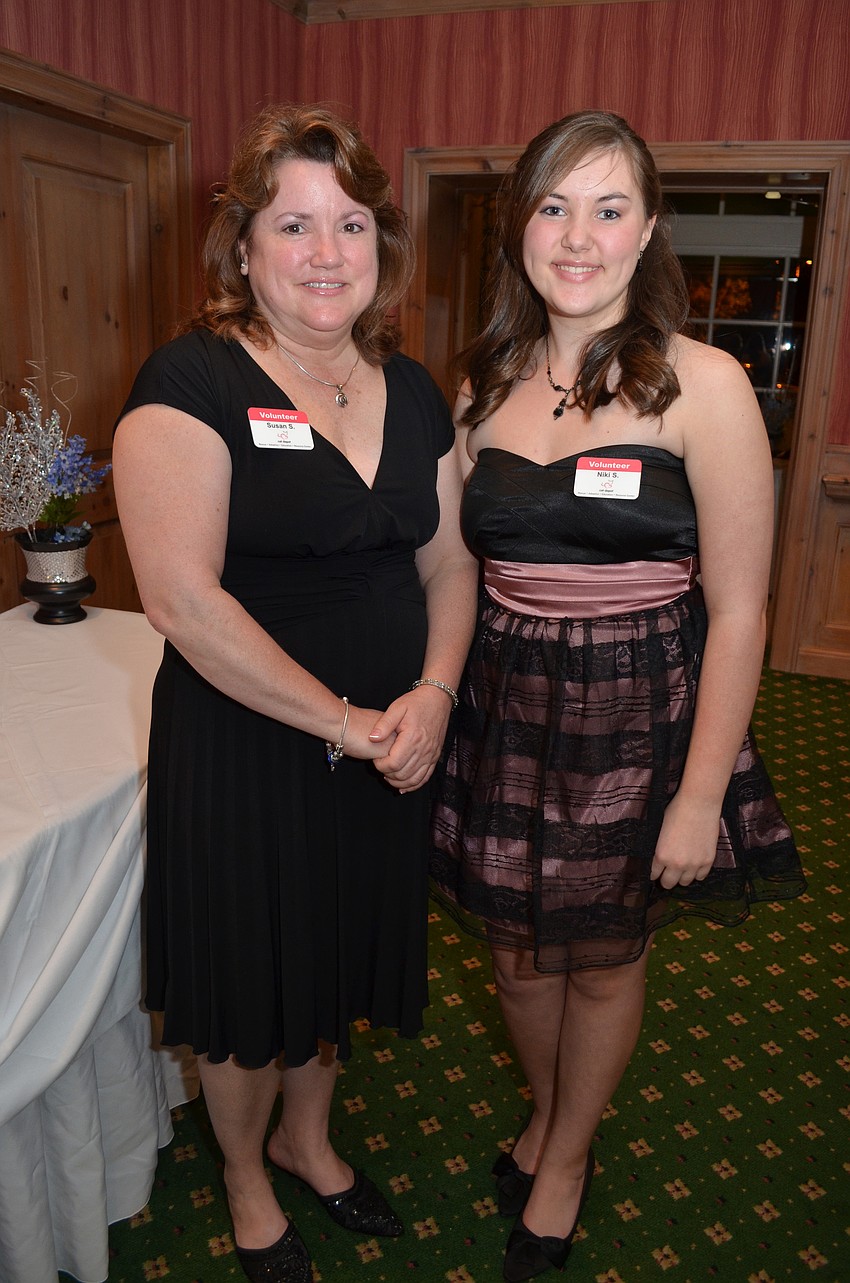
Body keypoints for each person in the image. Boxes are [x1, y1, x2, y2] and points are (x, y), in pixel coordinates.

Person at [430, 110, 805, 1283]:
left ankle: (567, 1156)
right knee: (514, 956)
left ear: (647, 231)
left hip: (640, 706)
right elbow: (447, 568)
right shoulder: (477, 381)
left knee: (598, 956)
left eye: (606, 208)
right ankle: (549, 1110)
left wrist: (698, 797)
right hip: (504, 698)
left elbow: (741, 610)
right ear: (519, 229)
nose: (577, 235)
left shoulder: (705, 382)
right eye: (552, 205)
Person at [113, 104, 477, 1283]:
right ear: (244, 247)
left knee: (330, 966)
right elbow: (182, 602)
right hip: (253, 741)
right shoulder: (191, 378)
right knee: (250, 980)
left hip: (389, 734)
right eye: (294, 224)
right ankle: (246, 1174)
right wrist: (346, 724)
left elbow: (451, 562)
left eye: (352, 223)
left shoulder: (414, 387)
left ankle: (311, 1140)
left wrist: (429, 690)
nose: (327, 252)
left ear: (382, 243)